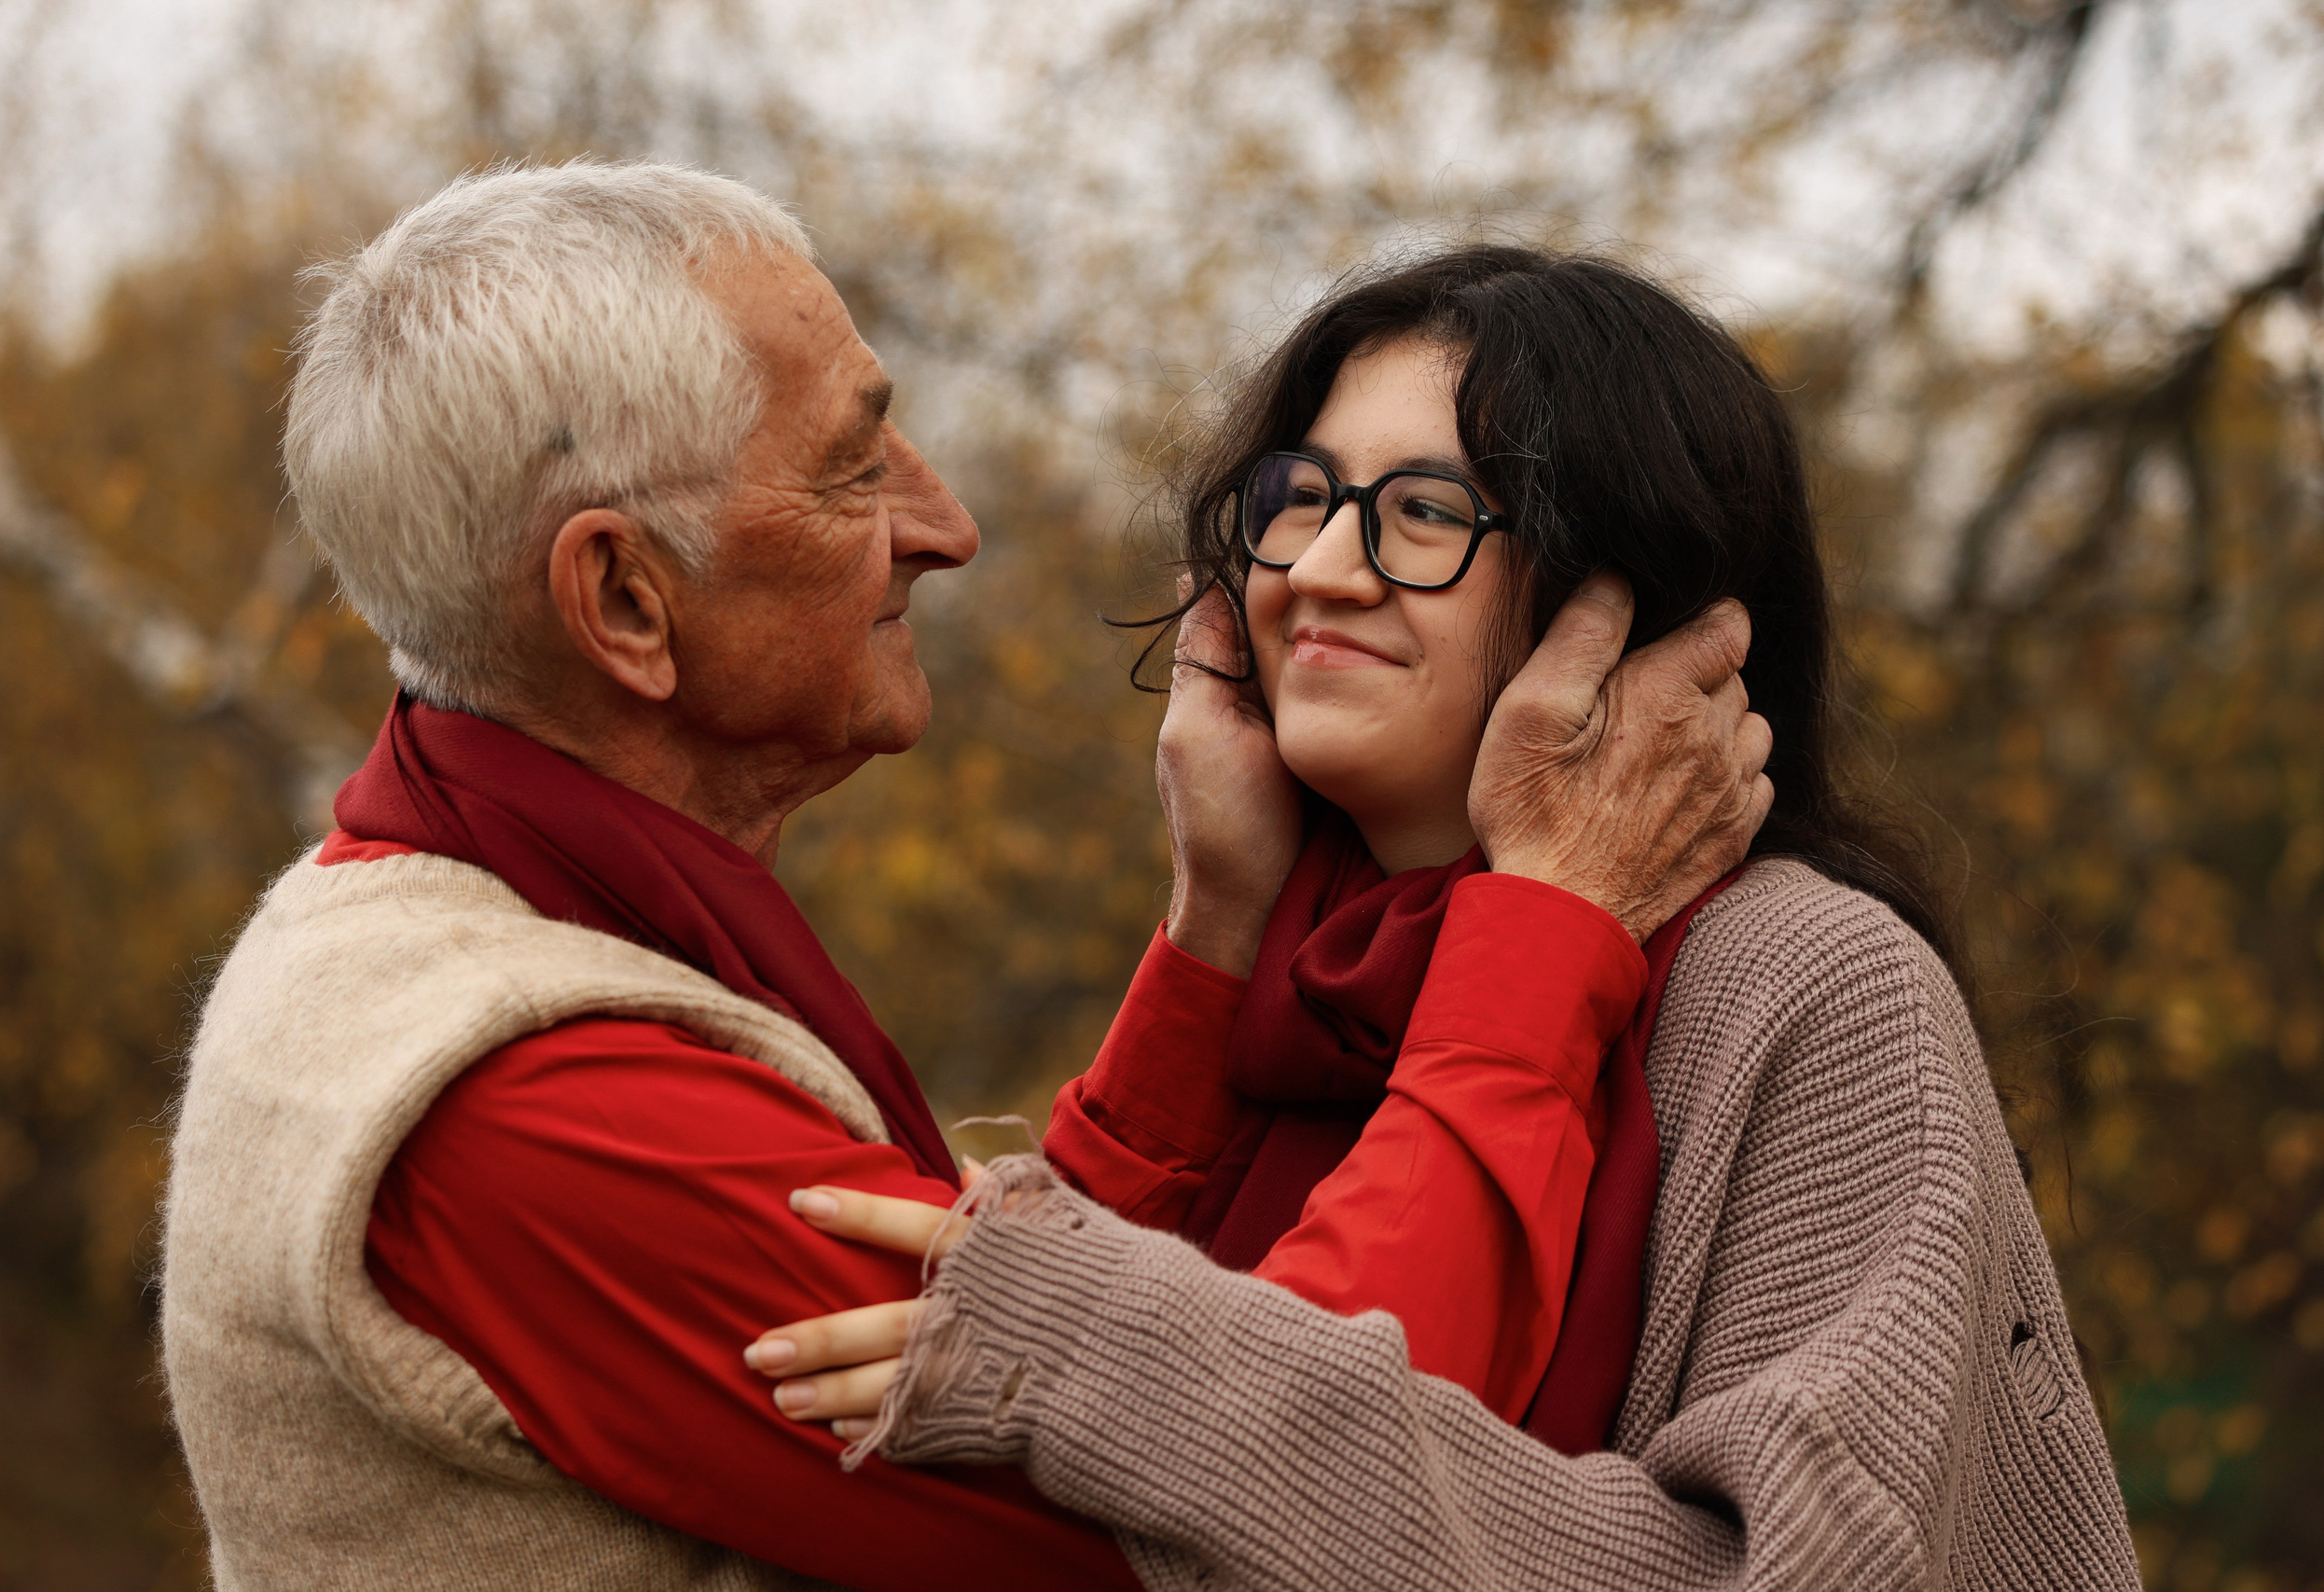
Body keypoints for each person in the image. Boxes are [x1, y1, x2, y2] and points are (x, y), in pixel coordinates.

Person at [158, 168, 1767, 1591]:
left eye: (1423, 513)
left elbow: (1089, 1349)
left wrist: (1215, 938)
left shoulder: (444, 924)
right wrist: (1549, 930)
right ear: (627, 603)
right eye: (853, 470)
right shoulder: (547, 1122)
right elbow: (1273, 1505)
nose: (948, 524)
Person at [747, 247, 2141, 1589]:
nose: (1321, 569)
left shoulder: (1812, 985)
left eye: (1424, 513)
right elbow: (1007, 1480)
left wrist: (1125, 1369)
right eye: (1301, 495)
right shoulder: (1305, 967)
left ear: (1621, 603)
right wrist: (1211, 928)